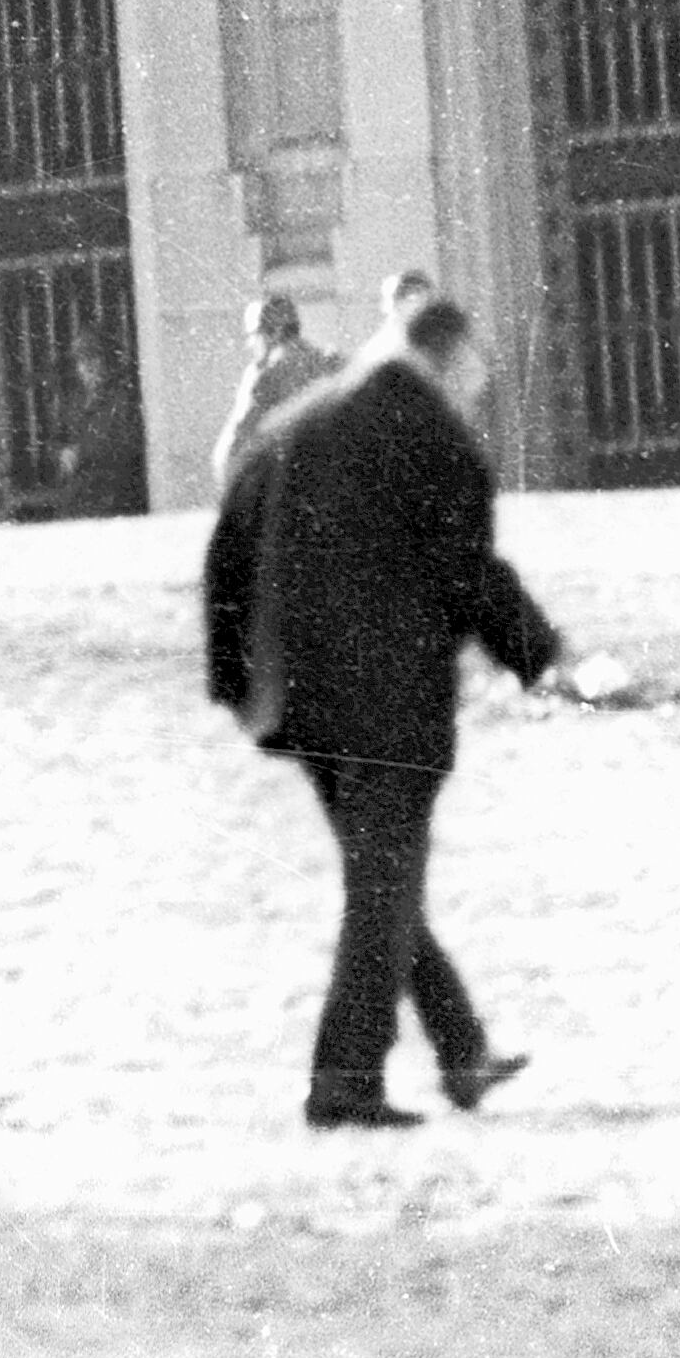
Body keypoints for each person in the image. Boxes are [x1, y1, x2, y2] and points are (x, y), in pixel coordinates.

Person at [200, 272, 567, 1130]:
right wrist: (543, 658)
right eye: (473, 378)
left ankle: (462, 1049)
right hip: (387, 702)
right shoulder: (437, 440)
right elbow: (468, 574)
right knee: (384, 888)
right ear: (448, 365)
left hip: (295, 697)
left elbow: (228, 547)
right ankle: (345, 1080)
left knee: (383, 882)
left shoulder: (300, 422)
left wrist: (234, 682)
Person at [213, 295, 338, 491]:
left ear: (274, 333)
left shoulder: (266, 374)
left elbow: (236, 442)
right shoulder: (332, 362)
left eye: (253, 335)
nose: (250, 345)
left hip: (287, 490)